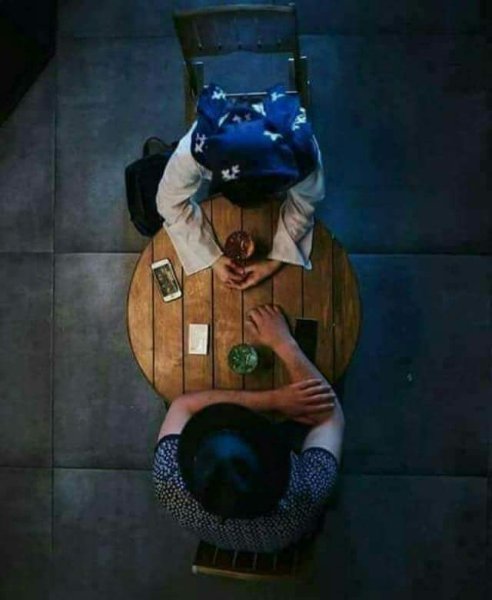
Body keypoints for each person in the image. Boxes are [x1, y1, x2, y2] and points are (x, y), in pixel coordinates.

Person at [152, 305, 345, 552]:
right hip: (284, 539)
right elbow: (330, 415)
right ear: (277, 466)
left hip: (219, 537)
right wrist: (284, 344)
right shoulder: (304, 494)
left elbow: (181, 405)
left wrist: (275, 401)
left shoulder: (168, 478)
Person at [155, 83, 326, 291]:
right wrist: (211, 257)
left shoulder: (301, 154)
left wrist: (275, 261)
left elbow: (306, 201)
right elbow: (167, 201)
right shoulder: (195, 151)